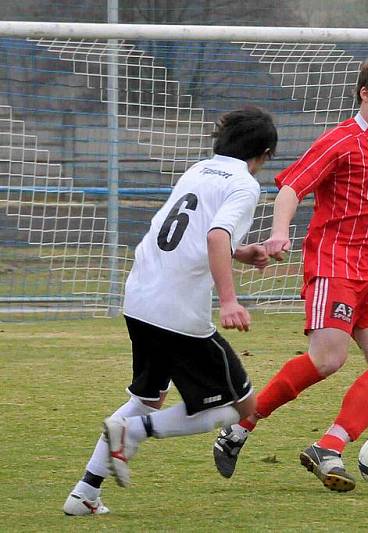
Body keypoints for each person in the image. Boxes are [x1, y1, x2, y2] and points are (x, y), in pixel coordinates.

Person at [211, 51, 368, 492]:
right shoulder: (339, 141)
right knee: (328, 358)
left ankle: (330, 445)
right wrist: (280, 232)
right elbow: (292, 186)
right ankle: (241, 425)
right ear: (365, 93)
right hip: (336, 266)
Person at [62, 107, 278, 516]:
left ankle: (85, 493)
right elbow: (216, 236)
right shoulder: (245, 186)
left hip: (140, 297)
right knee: (240, 407)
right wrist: (230, 300)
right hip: (178, 313)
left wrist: (242, 253)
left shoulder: (199, 170)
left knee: (147, 398)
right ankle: (132, 434)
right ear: (264, 154)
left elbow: (195, 235)